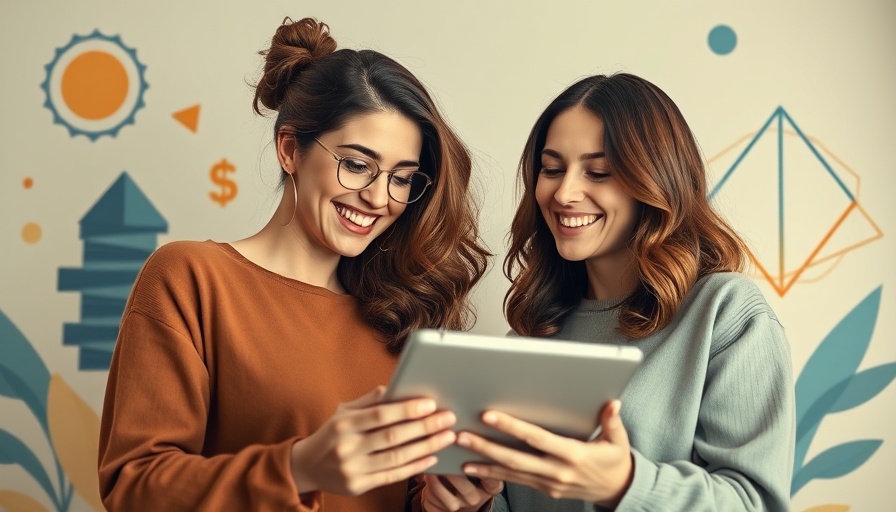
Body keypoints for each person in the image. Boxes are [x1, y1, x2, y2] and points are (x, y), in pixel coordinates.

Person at [98, 16, 490, 512]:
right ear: (290, 150)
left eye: (402, 178)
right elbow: (134, 487)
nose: (378, 197)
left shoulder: (402, 313)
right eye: (357, 165)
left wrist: (443, 503)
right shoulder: (191, 279)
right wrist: (301, 468)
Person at [422, 73, 795, 511]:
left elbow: (756, 503)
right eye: (552, 169)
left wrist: (624, 484)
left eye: (598, 172)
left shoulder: (726, 314)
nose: (564, 192)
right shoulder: (529, 340)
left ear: (655, 182)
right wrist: (470, 505)